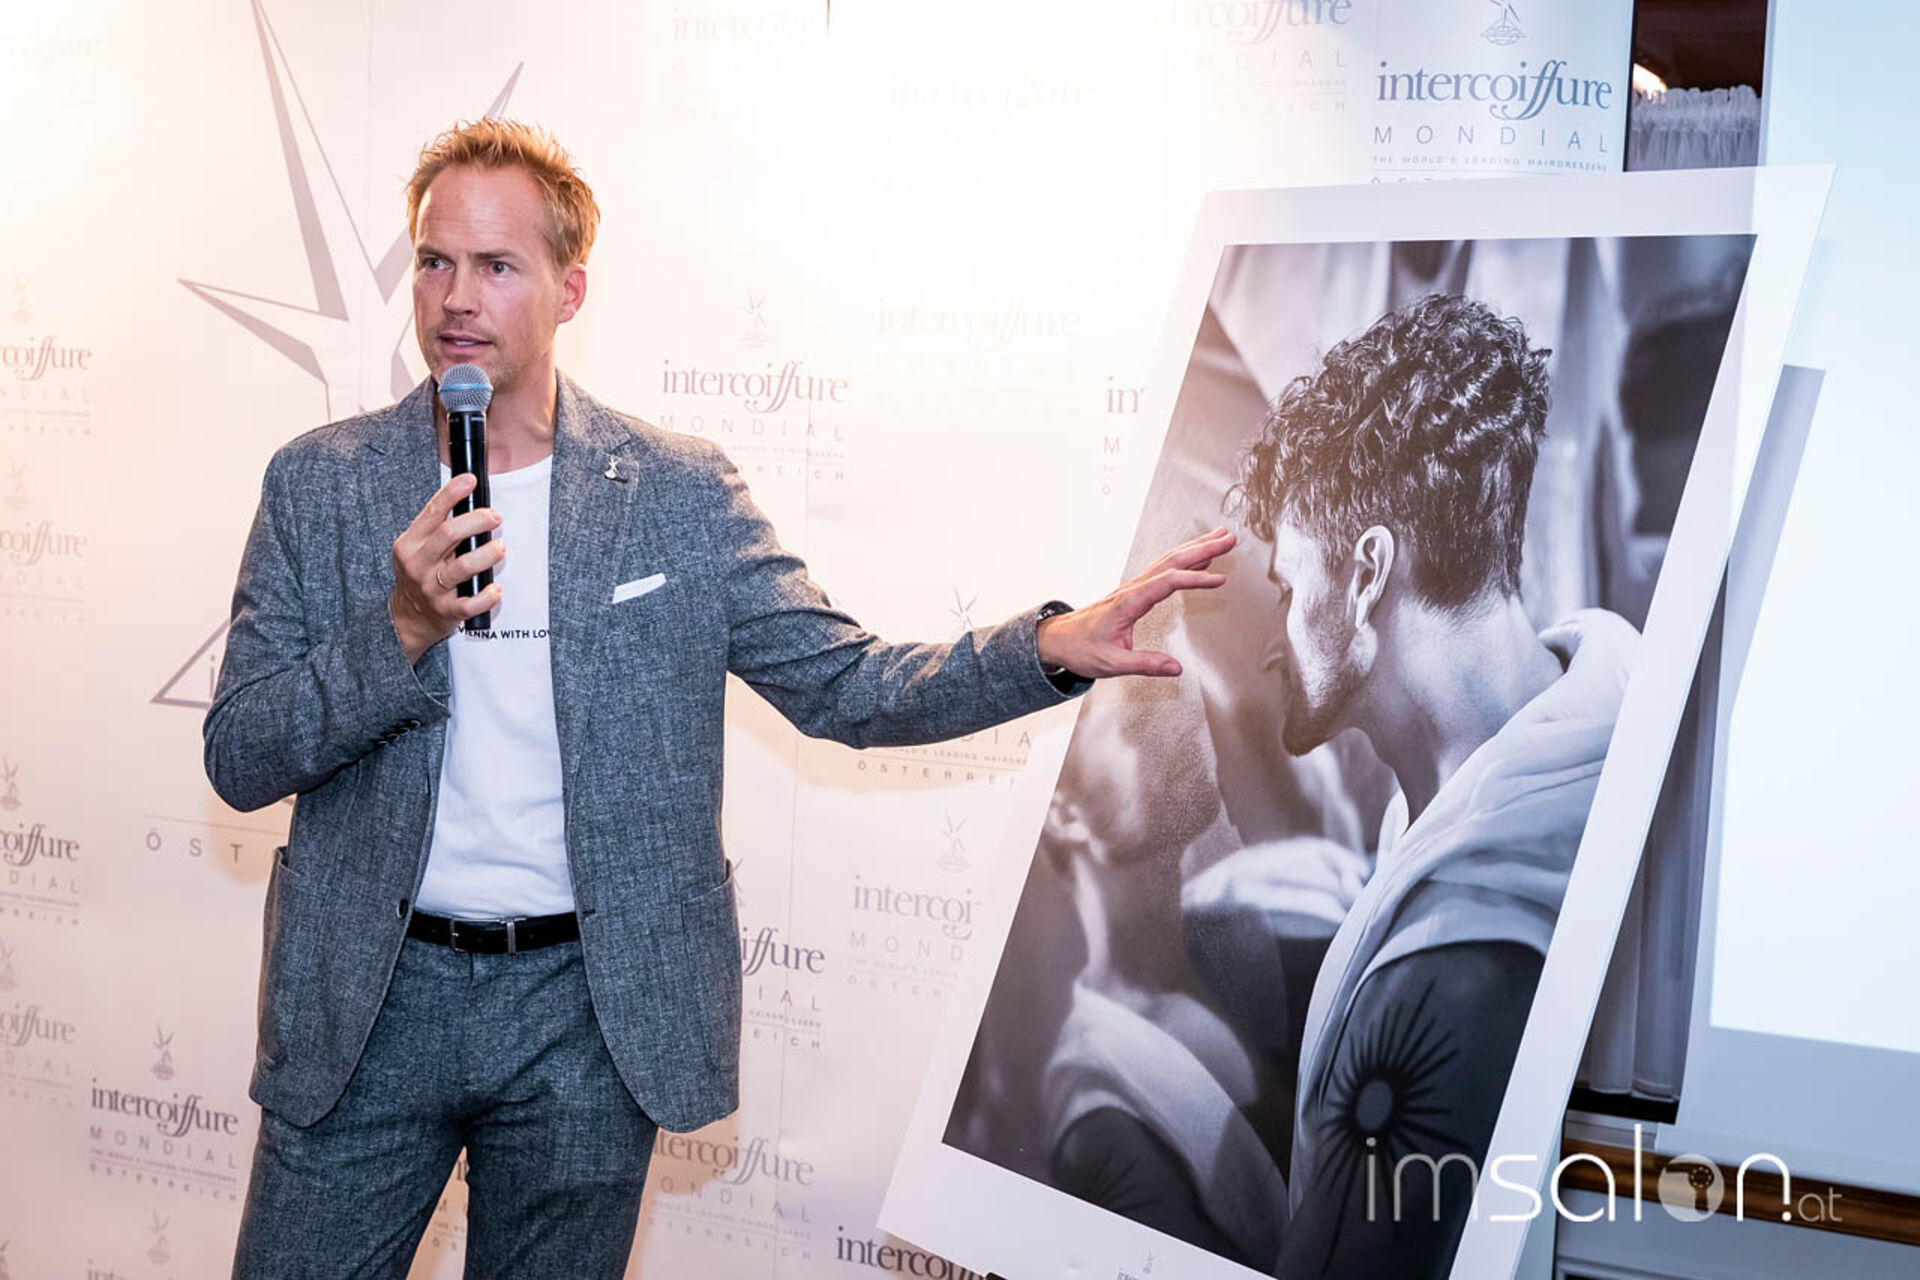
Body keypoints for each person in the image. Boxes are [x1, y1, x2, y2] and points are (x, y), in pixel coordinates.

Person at [203, 118, 1234, 1279]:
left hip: (588, 1016)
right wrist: (398, 627)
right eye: (434, 260)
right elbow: (239, 754)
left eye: (497, 265)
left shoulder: (677, 494)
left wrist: (1045, 647)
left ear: (571, 287)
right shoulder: (321, 484)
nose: (456, 297)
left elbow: (846, 683)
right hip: (367, 1004)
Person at [1231, 293, 1639, 1276]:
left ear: (1368, 573)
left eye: (1286, 588)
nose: (1268, 646)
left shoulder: (1449, 975)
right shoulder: (1567, 747)